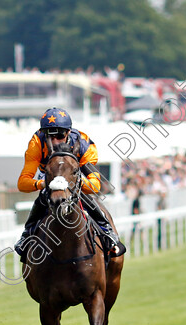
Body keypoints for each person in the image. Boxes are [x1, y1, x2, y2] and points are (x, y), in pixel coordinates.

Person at [13, 107, 119, 261]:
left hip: (74, 178)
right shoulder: (36, 143)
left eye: (60, 135)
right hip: (50, 177)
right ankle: (27, 235)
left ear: (68, 132)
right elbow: (22, 183)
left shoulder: (84, 144)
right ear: (43, 133)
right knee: (43, 198)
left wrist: (73, 183)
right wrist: (44, 184)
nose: (55, 141)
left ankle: (106, 229)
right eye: (50, 135)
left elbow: (95, 185)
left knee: (84, 197)